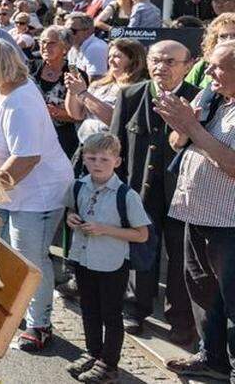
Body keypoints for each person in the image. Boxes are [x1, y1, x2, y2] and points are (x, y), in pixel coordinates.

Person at [0, 38, 74, 352]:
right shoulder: (2, 91)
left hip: (36, 194)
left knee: (31, 259)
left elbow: (26, 158)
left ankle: (40, 325)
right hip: (11, 193)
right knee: (13, 255)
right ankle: (21, 315)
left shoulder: (21, 100)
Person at [156, 41, 235, 380]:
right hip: (195, 211)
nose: (208, 72)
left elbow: (232, 164)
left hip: (228, 221)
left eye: (218, 66)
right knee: (204, 292)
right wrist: (181, 123)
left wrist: (193, 128)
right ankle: (212, 357)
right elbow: (177, 142)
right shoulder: (212, 95)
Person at [111, 40, 198, 343]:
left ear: (188, 66)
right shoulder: (131, 94)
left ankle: (181, 321)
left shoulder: (198, 100)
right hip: (140, 192)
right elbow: (115, 146)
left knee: (180, 258)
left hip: (183, 196)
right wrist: (116, 191)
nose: (161, 67)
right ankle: (135, 310)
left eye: (170, 62)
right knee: (142, 252)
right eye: (156, 60)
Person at [63, 132, 151, 384]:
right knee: (88, 309)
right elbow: (71, 209)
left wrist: (105, 229)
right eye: (92, 158)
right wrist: (71, 218)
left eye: (104, 159)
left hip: (112, 264)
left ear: (117, 161)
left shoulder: (126, 195)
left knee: (111, 315)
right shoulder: (79, 185)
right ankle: (93, 352)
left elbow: (142, 234)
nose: (98, 164)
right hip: (83, 260)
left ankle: (109, 363)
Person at [65, 38, 147, 143]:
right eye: (109, 56)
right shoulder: (99, 85)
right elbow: (77, 115)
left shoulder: (138, 88)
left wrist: (83, 94)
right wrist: (73, 90)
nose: (111, 61)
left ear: (133, 59)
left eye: (117, 56)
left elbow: (117, 121)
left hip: (112, 150)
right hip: (87, 146)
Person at [30, 26, 84, 158]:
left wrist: (57, 113)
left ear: (64, 47)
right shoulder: (29, 68)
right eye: (42, 42)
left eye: (51, 43)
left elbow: (81, 114)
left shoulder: (75, 74)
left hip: (62, 140)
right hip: (31, 134)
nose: (45, 46)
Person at [186, 12, 235, 88]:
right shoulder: (202, 67)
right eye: (223, 36)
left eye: (234, 35)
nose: (229, 40)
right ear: (215, 40)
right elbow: (186, 92)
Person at [67, 12, 109, 78]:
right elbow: (74, 76)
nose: (68, 35)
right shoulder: (72, 51)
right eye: (66, 31)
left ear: (88, 31)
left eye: (72, 31)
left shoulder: (96, 48)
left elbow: (96, 82)